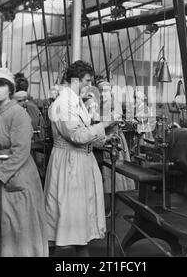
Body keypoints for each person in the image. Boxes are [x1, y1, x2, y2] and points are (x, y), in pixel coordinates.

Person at [44, 60, 118, 256]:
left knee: (77, 219)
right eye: (87, 81)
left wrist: (104, 137)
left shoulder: (76, 102)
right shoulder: (63, 103)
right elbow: (77, 136)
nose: (89, 86)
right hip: (69, 164)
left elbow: (84, 134)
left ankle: (79, 253)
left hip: (79, 161)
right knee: (65, 215)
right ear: (74, 80)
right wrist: (104, 123)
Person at [0, 68, 48, 257]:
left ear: (10, 89)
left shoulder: (18, 114)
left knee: (16, 228)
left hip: (18, 177)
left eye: (1, 85)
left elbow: (21, 152)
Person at [95, 79, 136, 214]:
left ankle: (112, 208)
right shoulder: (97, 105)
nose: (102, 93)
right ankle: (104, 206)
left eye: (104, 90)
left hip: (113, 140)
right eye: (100, 90)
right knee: (103, 176)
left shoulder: (114, 105)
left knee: (114, 175)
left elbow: (113, 122)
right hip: (100, 142)